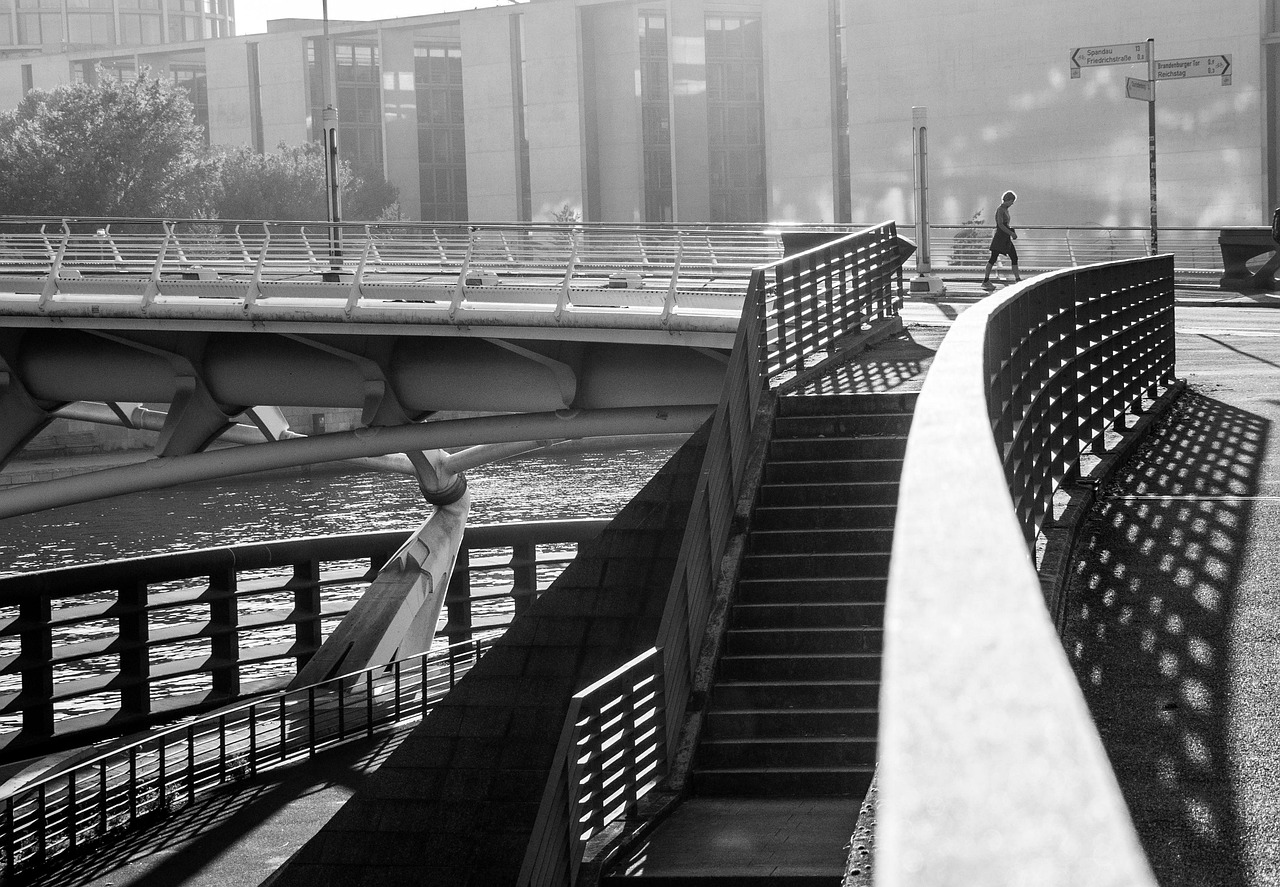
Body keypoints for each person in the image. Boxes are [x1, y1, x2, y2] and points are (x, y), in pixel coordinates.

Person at [982, 190, 1021, 288]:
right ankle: (986, 280)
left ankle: (1017, 279)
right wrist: (1011, 233)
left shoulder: (1005, 209)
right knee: (993, 258)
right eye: (1012, 201)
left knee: (1014, 257)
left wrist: (1010, 232)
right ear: (1008, 200)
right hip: (1000, 237)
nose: (1012, 203)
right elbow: (1000, 224)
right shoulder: (1000, 210)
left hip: (1005, 238)